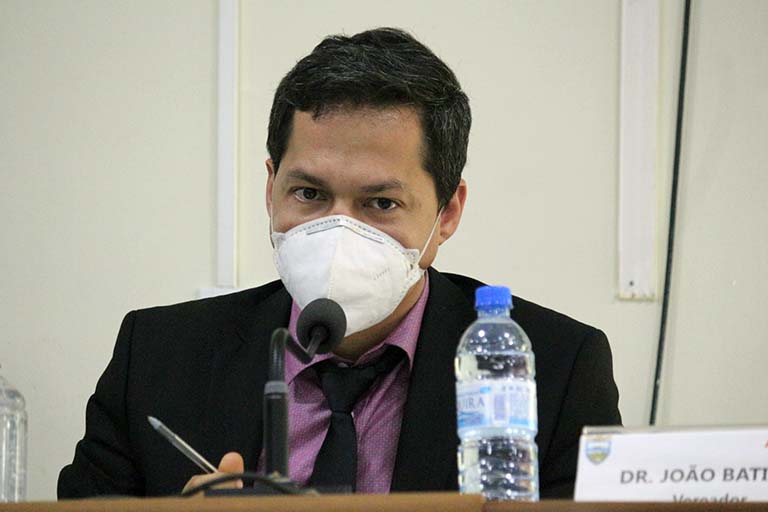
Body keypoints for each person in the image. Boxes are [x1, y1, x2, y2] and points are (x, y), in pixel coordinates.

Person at [58, 27, 620, 499]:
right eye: (309, 194)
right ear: (271, 189)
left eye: (381, 203)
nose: (338, 232)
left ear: (447, 213)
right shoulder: (157, 358)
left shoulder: (556, 368)